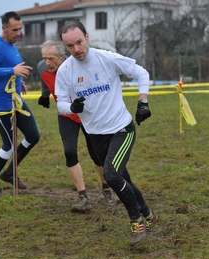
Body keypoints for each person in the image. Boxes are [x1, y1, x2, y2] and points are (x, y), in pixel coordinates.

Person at [55, 20, 157, 246]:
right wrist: (71, 108)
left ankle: (136, 219)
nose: (76, 50)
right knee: (123, 178)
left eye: (79, 43)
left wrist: (143, 102)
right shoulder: (65, 71)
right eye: (70, 46)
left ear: (87, 37)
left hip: (121, 129)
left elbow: (141, 73)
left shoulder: (107, 58)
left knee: (111, 175)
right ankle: (149, 214)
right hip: (95, 135)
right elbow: (60, 102)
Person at [37, 40, 116, 212]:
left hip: (88, 114)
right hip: (66, 115)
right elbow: (45, 79)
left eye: (51, 58)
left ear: (62, 57)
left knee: (96, 154)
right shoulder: (42, 67)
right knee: (69, 152)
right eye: (44, 58)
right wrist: (44, 94)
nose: (47, 63)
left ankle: (107, 188)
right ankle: (83, 196)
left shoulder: (76, 67)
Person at [0, 11, 40, 196]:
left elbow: (10, 71)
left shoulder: (12, 45)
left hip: (16, 100)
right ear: (4, 28)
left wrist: (17, 80)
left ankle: (9, 172)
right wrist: (12, 70)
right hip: (2, 104)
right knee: (9, 145)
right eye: (14, 30)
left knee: (33, 136)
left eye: (20, 29)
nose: (18, 33)